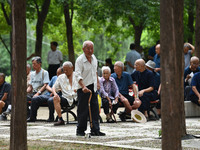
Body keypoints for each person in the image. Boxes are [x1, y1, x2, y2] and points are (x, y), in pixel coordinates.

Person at [75, 40, 105, 136]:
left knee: (95, 109)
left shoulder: (94, 58)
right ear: (83, 49)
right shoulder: (80, 60)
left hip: (93, 86)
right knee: (83, 110)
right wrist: (83, 86)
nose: (90, 50)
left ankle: (95, 129)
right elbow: (77, 75)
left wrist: (97, 82)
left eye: (92, 48)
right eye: (88, 48)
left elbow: (95, 71)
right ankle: (80, 130)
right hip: (83, 87)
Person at [52, 61, 78, 126]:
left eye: (67, 70)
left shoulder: (77, 75)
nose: (65, 72)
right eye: (64, 70)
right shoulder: (61, 77)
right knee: (55, 98)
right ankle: (60, 119)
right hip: (66, 98)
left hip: (77, 96)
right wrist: (55, 94)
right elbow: (54, 88)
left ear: (72, 68)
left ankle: (83, 118)